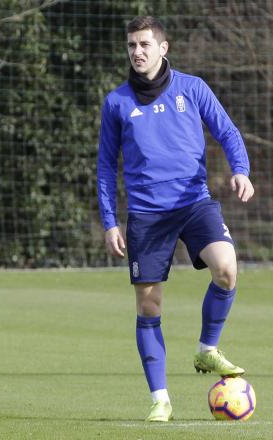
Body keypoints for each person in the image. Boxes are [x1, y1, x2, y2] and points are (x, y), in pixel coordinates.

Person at [97, 16, 254, 422]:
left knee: (226, 269)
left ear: (163, 48)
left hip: (194, 202)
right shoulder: (116, 102)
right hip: (147, 216)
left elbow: (229, 133)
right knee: (149, 306)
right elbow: (104, 167)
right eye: (132, 45)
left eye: (145, 44)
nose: (137, 52)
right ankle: (160, 398)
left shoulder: (193, 88)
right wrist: (110, 220)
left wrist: (240, 169)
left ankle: (207, 349)